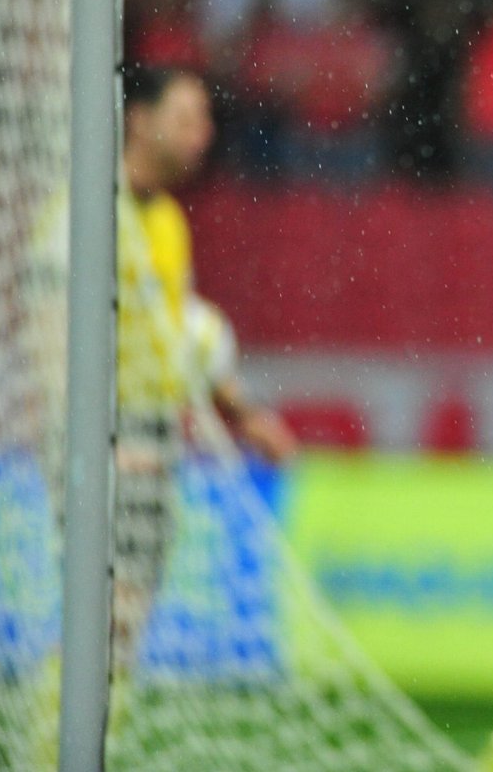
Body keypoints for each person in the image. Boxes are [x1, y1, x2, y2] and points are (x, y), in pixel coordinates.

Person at [115, 65, 297, 658]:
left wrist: (243, 414)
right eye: (186, 119)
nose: (203, 135)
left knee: (125, 618)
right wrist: (91, 441)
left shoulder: (167, 222)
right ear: (139, 121)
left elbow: (179, 337)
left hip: (154, 434)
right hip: (105, 438)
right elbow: (45, 331)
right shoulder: (86, 218)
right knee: (109, 614)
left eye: (206, 120)